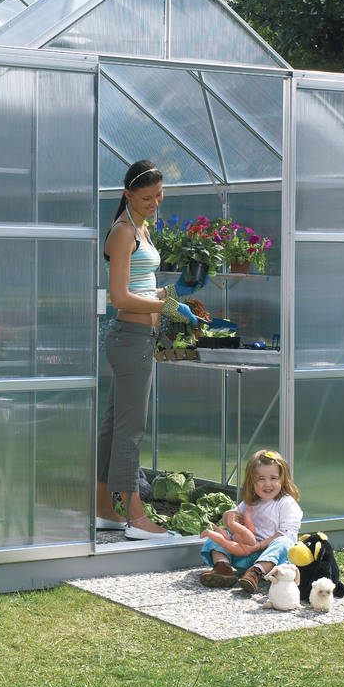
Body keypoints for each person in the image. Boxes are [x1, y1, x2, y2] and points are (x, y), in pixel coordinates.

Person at [96, 159, 201, 541]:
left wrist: (175, 292)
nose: (155, 202)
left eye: (159, 195)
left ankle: (102, 509)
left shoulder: (142, 227)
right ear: (128, 195)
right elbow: (120, 297)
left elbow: (142, 288)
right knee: (130, 431)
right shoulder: (124, 232)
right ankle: (136, 519)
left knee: (112, 427)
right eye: (147, 197)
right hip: (130, 339)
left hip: (139, 338)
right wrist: (170, 307)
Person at [198, 449, 302, 591]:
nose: (267, 484)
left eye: (273, 478)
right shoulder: (250, 502)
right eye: (261, 479)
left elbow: (286, 534)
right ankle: (223, 567)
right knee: (217, 536)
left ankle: (255, 573)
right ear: (251, 482)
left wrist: (258, 546)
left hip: (269, 559)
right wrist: (228, 516)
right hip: (242, 553)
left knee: (285, 543)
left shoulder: (286, 503)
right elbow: (233, 516)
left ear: (282, 480)